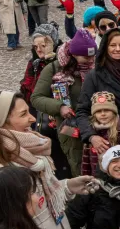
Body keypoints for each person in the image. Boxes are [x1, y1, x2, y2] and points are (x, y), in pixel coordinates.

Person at [0, 91, 97, 229]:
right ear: (0, 122)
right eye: (23, 114)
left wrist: (67, 187)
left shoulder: (27, 153)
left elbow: (39, 197)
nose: (33, 118)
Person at [32, 29, 97, 174]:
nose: (91, 60)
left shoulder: (97, 67)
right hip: (71, 129)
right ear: (74, 54)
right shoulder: (54, 69)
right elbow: (36, 98)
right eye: (86, 57)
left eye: (93, 56)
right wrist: (59, 107)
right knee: (80, 168)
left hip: (98, 125)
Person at [76, 28, 120, 158]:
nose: (117, 49)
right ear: (106, 48)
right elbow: (82, 111)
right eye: (113, 45)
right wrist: (91, 136)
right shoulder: (94, 76)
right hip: (108, 139)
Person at [81, 92, 120, 177]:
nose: (103, 114)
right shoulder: (91, 133)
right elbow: (86, 161)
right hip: (98, 180)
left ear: (114, 112)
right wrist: (86, 179)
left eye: (106, 110)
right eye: (98, 111)